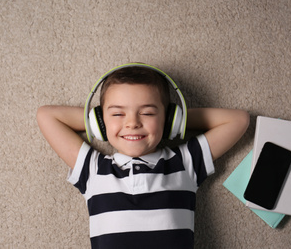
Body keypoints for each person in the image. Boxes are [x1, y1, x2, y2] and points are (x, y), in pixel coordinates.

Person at [37, 64, 249, 249]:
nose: (132, 123)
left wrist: (177, 121)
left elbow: (238, 120)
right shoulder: (93, 169)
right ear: (101, 121)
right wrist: (94, 121)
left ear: (168, 120)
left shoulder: (185, 163)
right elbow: (46, 116)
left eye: (147, 113)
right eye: (118, 114)